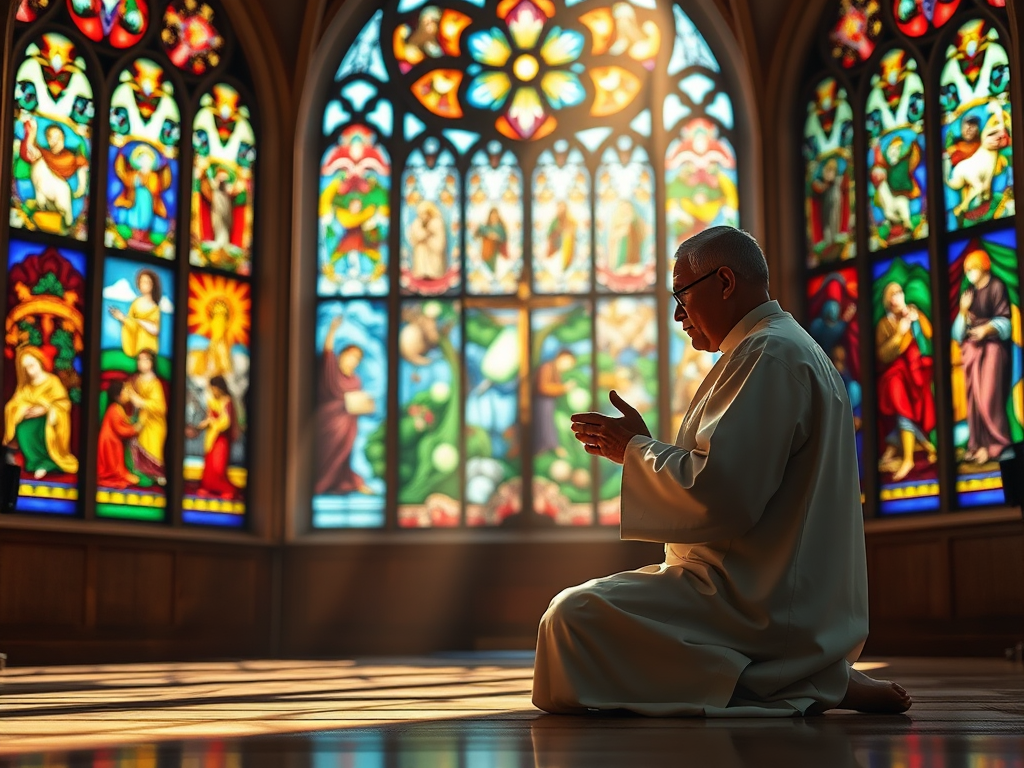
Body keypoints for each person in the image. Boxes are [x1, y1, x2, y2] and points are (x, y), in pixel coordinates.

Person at [535, 226, 911, 716]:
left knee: (569, 620)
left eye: (681, 294)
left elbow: (721, 496)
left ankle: (795, 680)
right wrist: (641, 450)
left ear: (726, 281)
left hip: (753, 601)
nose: (677, 314)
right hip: (762, 586)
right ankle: (812, 674)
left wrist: (636, 450)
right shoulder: (779, 348)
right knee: (580, 615)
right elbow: (732, 478)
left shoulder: (766, 356)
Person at [952, 249, 1013, 465]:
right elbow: (956, 333)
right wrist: (962, 310)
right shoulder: (969, 292)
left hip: (994, 349)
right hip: (972, 352)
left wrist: (986, 329)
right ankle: (978, 446)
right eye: (967, 270)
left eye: (972, 269)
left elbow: (1006, 322)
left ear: (983, 266)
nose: (969, 274)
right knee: (974, 400)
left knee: (989, 396)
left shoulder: (997, 287)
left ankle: (998, 445)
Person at [875, 281, 937, 482]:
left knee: (906, 407)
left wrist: (917, 319)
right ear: (887, 302)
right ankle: (909, 458)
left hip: (916, 373)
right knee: (898, 398)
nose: (896, 298)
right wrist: (901, 333)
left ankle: (918, 447)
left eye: (899, 293)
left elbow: (929, 337)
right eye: (892, 295)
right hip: (897, 374)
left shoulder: (912, 313)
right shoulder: (884, 324)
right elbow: (883, 355)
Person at [315, 316, 373, 496]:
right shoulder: (332, 370)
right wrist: (332, 330)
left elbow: (357, 401)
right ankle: (320, 484)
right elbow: (327, 352)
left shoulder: (356, 380)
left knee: (344, 455)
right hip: (328, 422)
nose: (353, 361)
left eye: (357, 358)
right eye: (351, 356)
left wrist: (365, 404)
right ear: (342, 355)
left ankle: (342, 482)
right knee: (326, 453)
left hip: (348, 425)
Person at [3, 346, 78, 480]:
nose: (30, 370)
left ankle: (48, 463)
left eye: (32, 365)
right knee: (23, 429)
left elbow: (63, 403)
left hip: (49, 423)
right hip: (30, 423)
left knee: (44, 431)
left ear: (39, 362)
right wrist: (23, 409)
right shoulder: (26, 387)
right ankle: (35, 463)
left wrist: (47, 409)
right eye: (26, 368)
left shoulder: (52, 381)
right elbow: (13, 405)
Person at [125, 349, 167, 484]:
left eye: (145, 359)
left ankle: (156, 474)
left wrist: (141, 402)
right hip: (140, 420)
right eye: (139, 360)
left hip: (154, 422)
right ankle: (141, 473)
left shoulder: (155, 383)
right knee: (136, 447)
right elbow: (127, 393)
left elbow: (160, 407)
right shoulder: (134, 379)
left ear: (152, 362)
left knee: (153, 448)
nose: (141, 363)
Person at [196, 375, 237, 498]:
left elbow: (225, 422)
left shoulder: (227, 401)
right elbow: (210, 416)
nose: (212, 391)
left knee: (218, 466)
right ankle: (207, 487)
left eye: (213, 388)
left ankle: (227, 489)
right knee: (209, 465)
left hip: (221, 439)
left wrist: (212, 422)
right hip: (211, 437)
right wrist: (205, 423)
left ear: (219, 388)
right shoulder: (212, 401)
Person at [96, 380, 141, 489]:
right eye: (125, 391)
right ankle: (115, 475)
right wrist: (135, 429)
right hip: (110, 442)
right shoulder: (114, 409)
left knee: (117, 461)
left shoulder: (118, 408)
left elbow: (124, 423)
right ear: (118, 396)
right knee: (113, 463)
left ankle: (120, 474)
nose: (128, 394)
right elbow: (120, 429)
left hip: (113, 441)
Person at [109, 268, 162, 357]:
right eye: (141, 282)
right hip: (137, 342)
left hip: (149, 344)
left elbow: (155, 330)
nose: (143, 285)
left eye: (146, 282)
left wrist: (139, 321)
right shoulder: (136, 303)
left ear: (153, 285)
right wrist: (122, 318)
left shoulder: (155, 308)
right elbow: (131, 325)